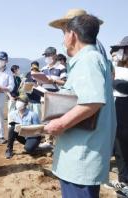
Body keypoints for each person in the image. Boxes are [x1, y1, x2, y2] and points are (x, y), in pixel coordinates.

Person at [45, 14, 116, 198]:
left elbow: (92, 102)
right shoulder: (94, 58)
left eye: (64, 33)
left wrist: (59, 124)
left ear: (72, 35)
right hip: (82, 151)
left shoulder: (88, 60)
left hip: (81, 155)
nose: (63, 39)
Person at [108, 36, 128, 195]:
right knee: (120, 145)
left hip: (124, 106)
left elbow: (123, 86)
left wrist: (113, 82)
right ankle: (123, 180)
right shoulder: (116, 68)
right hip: (118, 107)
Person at [5, 95, 41, 159]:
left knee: (29, 149)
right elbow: (11, 129)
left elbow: (38, 130)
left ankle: (35, 146)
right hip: (21, 136)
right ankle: (9, 150)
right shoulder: (12, 114)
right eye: (18, 100)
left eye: (21, 101)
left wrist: (27, 130)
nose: (18, 102)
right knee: (12, 128)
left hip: (32, 136)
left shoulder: (33, 114)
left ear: (26, 104)